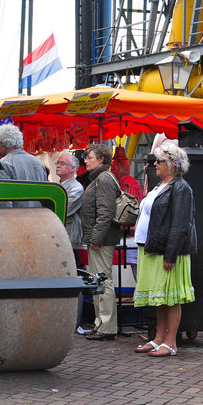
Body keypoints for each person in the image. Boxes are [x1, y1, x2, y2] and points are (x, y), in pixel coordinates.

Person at [132, 142, 197, 357]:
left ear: (172, 164)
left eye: (159, 161)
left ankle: (171, 343)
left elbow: (181, 224)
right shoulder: (159, 186)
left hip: (167, 252)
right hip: (152, 249)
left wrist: (170, 253)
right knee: (159, 297)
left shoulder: (181, 188)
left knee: (171, 297)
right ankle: (158, 338)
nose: (155, 164)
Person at [81, 143, 120, 341]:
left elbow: (106, 212)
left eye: (90, 157)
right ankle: (101, 324)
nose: (85, 160)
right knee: (98, 280)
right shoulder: (100, 178)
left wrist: (96, 238)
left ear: (102, 159)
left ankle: (106, 326)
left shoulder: (103, 179)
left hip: (101, 240)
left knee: (103, 280)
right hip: (98, 238)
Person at [0, 123, 48, 207]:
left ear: (3, 144)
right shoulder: (37, 163)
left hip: (17, 217)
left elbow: (5, 200)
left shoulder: (4, 163)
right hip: (39, 215)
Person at [111, 147, 144, 278]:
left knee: (137, 270)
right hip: (129, 233)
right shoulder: (123, 182)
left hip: (131, 234)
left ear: (121, 168)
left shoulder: (128, 184)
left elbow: (127, 211)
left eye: (114, 168)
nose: (112, 171)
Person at [55, 151, 84, 256]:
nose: (58, 166)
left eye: (62, 163)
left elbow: (64, 209)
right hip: (57, 234)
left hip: (69, 235)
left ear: (72, 168)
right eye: (57, 163)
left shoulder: (76, 188)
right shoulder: (57, 185)